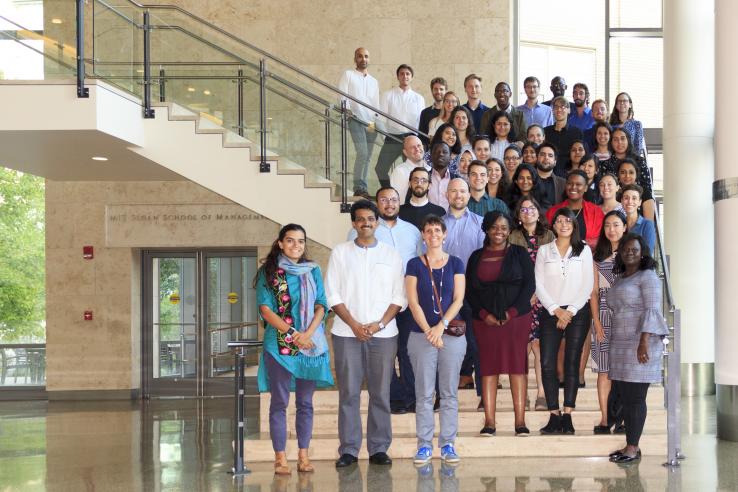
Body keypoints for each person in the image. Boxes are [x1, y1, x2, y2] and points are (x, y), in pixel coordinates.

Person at [326, 200, 406, 468]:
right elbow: (332, 293)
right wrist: (353, 324)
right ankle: (348, 449)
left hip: (383, 335)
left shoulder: (391, 255)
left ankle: (379, 448)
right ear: (353, 223)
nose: (366, 223)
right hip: (346, 333)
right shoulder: (340, 252)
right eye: (360, 219)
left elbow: (399, 296)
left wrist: (378, 325)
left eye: (371, 219)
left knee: (380, 393)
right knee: (348, 392)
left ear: (377, 222)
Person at [255, 224, 333, 475]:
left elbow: (322, 304)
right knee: (279, 402)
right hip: (279, 346)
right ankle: (280, 458)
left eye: (300, 241)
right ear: (280, 243)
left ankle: (303, 456)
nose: (296, 246)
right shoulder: (268, 273)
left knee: (305, 403)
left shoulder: (312, 271)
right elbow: (266, 310)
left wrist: (307, 334)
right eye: (290, 241)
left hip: (310, 345)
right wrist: (292, 334)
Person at [347, 187, 422, 415]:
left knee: (408, 352)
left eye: (393, 199)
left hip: (408, 301)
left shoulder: (412, 231)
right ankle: (394, 399)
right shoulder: (361, 232)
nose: (389, 203)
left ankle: (413, 399)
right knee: (383, 355)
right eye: (384, 200)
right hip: (378, 304)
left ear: (400, 202)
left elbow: (419, 263)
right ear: (377, 204)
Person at [467, 211, 536, 436]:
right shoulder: (476, 256)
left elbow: (529, 286)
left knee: (517, 367)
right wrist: (483, 313)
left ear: (509, 230)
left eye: (504, 228)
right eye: (495, 227)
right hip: (484, 322)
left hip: (516, 320)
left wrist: (512, 312)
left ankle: (520, 422)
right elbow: (469, 291)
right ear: (486, 229)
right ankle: (489, 422)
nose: (499, 231)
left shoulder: (520, 253)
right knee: (488, 369)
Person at [406, 215, 467, 464]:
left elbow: (459, 299)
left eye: (437, 230)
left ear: (445, 235)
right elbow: (413, 301)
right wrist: (429, 331)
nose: (433, 234)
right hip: (420, 335)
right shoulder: (413, 264)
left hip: (450, 335)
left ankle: (448, 444)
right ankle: (424, 445)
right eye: (428, 230)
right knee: (424, 393)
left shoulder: (456, 263)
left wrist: (440, 327)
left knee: (449, 392)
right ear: (423, 235)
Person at [607, 233, 668, 463]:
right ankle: (630, 445)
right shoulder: (621, 278)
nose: (629, 252)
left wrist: (643, 342)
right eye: (625, 249)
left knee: (635, 399)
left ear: (642, 253)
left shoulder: (648, 276)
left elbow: (652, 310)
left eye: (634, 249)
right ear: (620, 253)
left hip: (639, 344)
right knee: (625, 396)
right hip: (620, 344)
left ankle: (632, 449)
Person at [535, 207, 594, 435]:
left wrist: (569, 310)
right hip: (550, 312)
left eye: (568, 220)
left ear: (574, 225)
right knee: (548, 363)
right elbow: (538, 284)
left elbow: (587, 284)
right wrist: (555, 310)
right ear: (553, 225)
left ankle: (568, 414)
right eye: (559, 220)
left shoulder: (584, 250)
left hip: (577, 313)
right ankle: (553, 414)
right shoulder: (544, 251)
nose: (563, 224)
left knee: (571, 363)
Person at [509, 197, 555, 412]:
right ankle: (524, 393)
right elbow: (511, 270)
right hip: (522, 299)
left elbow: (553, 268)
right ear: (518, 215)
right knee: (523, 347)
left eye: (532, 208)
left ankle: (542, 393)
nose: (528, 212)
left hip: (545, 299)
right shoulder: (512, 237)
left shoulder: (549, 236)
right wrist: (526, 293)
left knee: (540, 346)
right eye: (523, 209)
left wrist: (540, 292)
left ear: (538, 212)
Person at [443, 178, 486, 408]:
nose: (458, 195)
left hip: (474, 292)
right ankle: (442, 395)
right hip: (444, 294)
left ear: (469, 195)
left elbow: (485, 259)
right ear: (446, 195)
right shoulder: (437, 225)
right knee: (442, 343)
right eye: (453, 191)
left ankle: (484, 396)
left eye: (462, 191)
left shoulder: (480, 224)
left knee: (477, 343)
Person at [590, 210, 627, 434]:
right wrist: (596, 321)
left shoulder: (633, 253)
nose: (611, 229)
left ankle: (621, 418)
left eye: (616, 225)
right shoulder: (597, 255)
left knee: (622, 371)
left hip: (626, 316)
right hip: (603, 314)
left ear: (624, 227)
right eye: (607, 226)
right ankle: (605, 418)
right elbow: (593, 293)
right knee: (604, 371)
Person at [338, 47, 379, 199]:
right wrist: (347, 110)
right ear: (355, 59)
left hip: (370, 123)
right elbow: (342, 94)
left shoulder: (374, 81)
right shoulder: (348, 75)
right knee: (362, 152)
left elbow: (375, 104)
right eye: (360, 56)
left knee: (367, 156)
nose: (363, 59)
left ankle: (364, 188)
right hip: (354, 118)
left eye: (366, 56)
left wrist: (374, 122)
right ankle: (358, 187)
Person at [376, 64, 425, 188]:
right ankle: (389, 192)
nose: (405, 76)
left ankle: (409, 195)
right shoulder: (388, 95)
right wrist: (384, 136)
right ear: (398, 76)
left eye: (408, 74)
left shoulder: (418, 98)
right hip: (392, 137)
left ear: (412, 77)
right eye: (402, 74)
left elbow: (421, 121)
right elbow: (381, 118)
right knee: (380, 168)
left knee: (414, 171)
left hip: (412, 137)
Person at [546, 169, 605, 248]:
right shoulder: (553, 212)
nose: (573, 187)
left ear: (586, 188)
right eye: (570, 183)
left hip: (590, 257)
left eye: (578, 184)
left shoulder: (596, 212)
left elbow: (602, 239)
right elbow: (546, 238)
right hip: (558, 257)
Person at [545, 96, 584, 173]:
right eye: (556, 107)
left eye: (563, 107)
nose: (559, 110)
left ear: (569, 110)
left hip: (570, 175)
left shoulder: (577, 132)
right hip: (549, 174)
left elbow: (581, 156)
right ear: (552, 110)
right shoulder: (545, 132)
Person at [390, 135, 428, 204]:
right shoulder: (400, 171)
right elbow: (399, 201)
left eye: (419, 145)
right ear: (405, 152)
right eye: (412, 147)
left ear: (423, 147)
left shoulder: (430, 169)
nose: (417, 149)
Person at [621, 184, 656, 253]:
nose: (630, 201)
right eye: (626, 198)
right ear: (622, 201)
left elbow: (648, 253)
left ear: (640, 202)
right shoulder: (619, 223)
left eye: (634, 198)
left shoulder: (647, 224)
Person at [609, 92, 646, 158]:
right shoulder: (610, 125)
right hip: (614, 161)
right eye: (619, 101)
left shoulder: (637, 124)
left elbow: (638, 148)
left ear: (630, 105)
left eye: (625, 101)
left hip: (631, 162)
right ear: (616, 105)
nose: (622, 103)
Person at [535, 142, 566, 213]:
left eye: (550, 155)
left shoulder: (563, 183)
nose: (546, 158)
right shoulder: (528, 180)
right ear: (537, 158)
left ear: (555, 162)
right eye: (542, 154)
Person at [427, 141, 459, 210]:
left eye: (444, 152)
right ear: (431, 156)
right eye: (437, 152)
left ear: (450, 157)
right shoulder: (423, 178)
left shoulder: (457, 180)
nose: (441, 154)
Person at [418, 77, 447, 148]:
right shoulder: (425, 112)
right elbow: (422, 136)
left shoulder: (452, 111)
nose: (438, 92)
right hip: (431, 151)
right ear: (432, 91)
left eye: (441, 89)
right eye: (435, 89)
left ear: (446, 91)